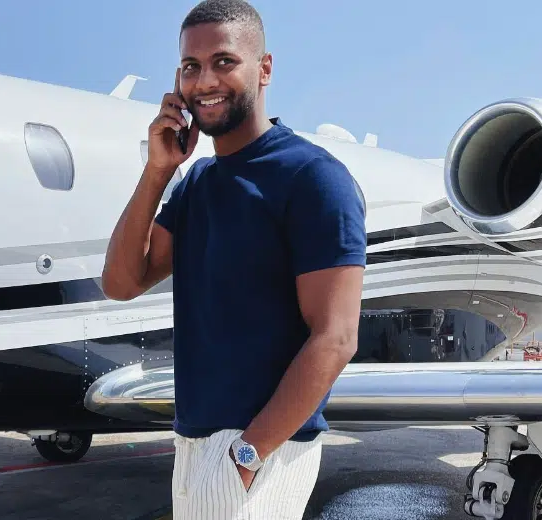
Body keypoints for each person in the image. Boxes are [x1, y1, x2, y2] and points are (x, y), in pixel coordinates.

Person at [101, 0, 366, 517]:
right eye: (190, 66)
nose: (204, 81)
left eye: (224, 61)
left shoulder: (312, 177)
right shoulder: (197, 184)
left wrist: (247, 455)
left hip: (261, 446)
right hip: (196, 441)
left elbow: (335, 338)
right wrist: (158, 172)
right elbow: (121, 282)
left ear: (264, 68)